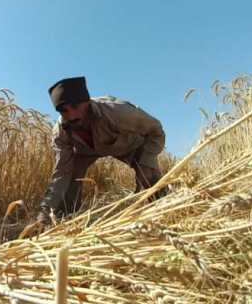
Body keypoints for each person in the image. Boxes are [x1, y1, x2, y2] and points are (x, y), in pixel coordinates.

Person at [37, 76, 168, 225]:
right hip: (85, 151)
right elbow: (61, 174)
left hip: (127, 145)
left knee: (149, 176)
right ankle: (66, 221)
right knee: (69, 178)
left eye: (75, 106)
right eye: (63, 110)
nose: (71, 116)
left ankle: (163, 211)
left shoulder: (117, 111)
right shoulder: (61, 132)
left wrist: (147, 160)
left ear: (87, 102)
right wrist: (45, 211)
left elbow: (156, 130)